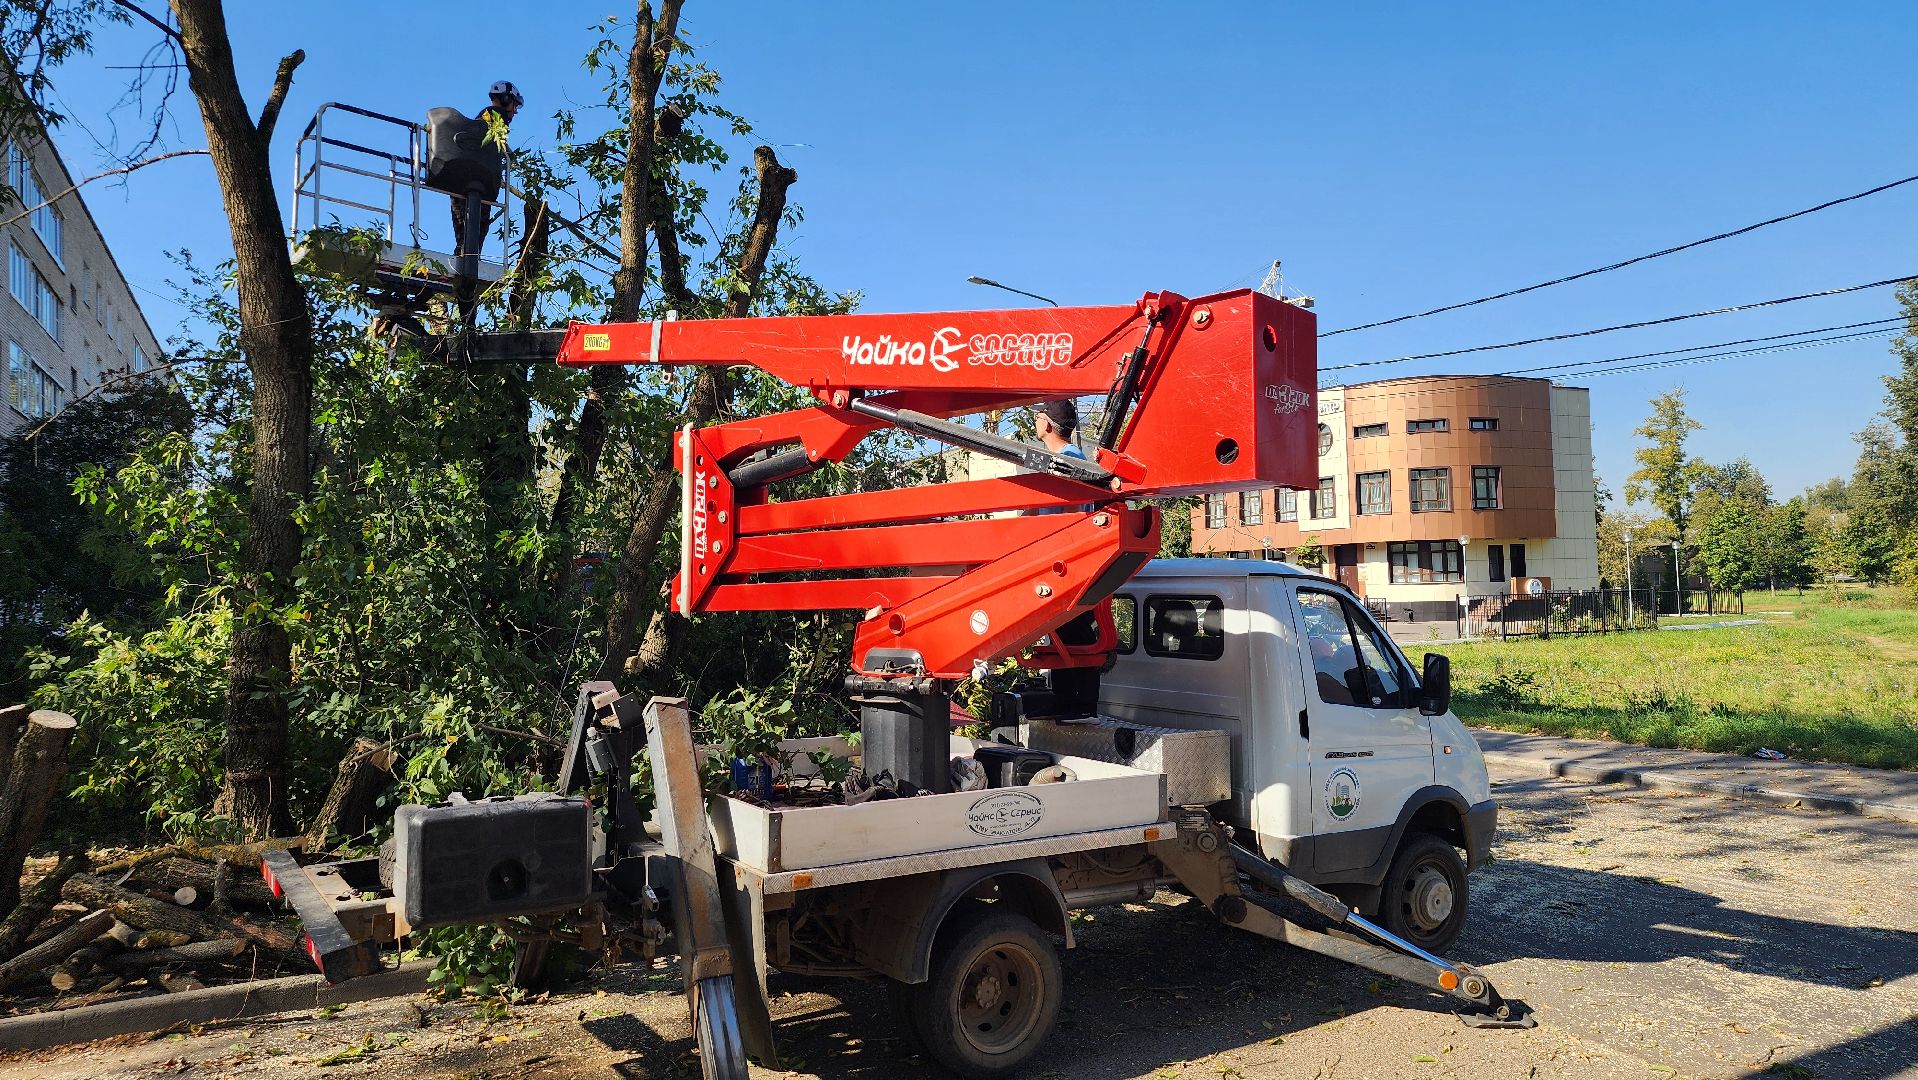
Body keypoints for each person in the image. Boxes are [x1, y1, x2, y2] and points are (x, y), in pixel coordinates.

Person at [450, 80, 524, 255]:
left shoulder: (483, 117)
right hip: (477, 179)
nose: (515, 111)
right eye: (514, 105)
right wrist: (511, 156)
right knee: (476, 229)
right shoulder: (496, 114)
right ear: (506, 99)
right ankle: (469, 258)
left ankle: (464, 255)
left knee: (464, 231)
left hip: (461, 177)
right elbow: (495, 138)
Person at [1028, 399, 1089, 516]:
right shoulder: (1062, 456)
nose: (1035, 421)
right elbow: (1038, 508)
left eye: (1037, 417)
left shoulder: (1069, 456)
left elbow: (1072, 509)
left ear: (1046, 425)